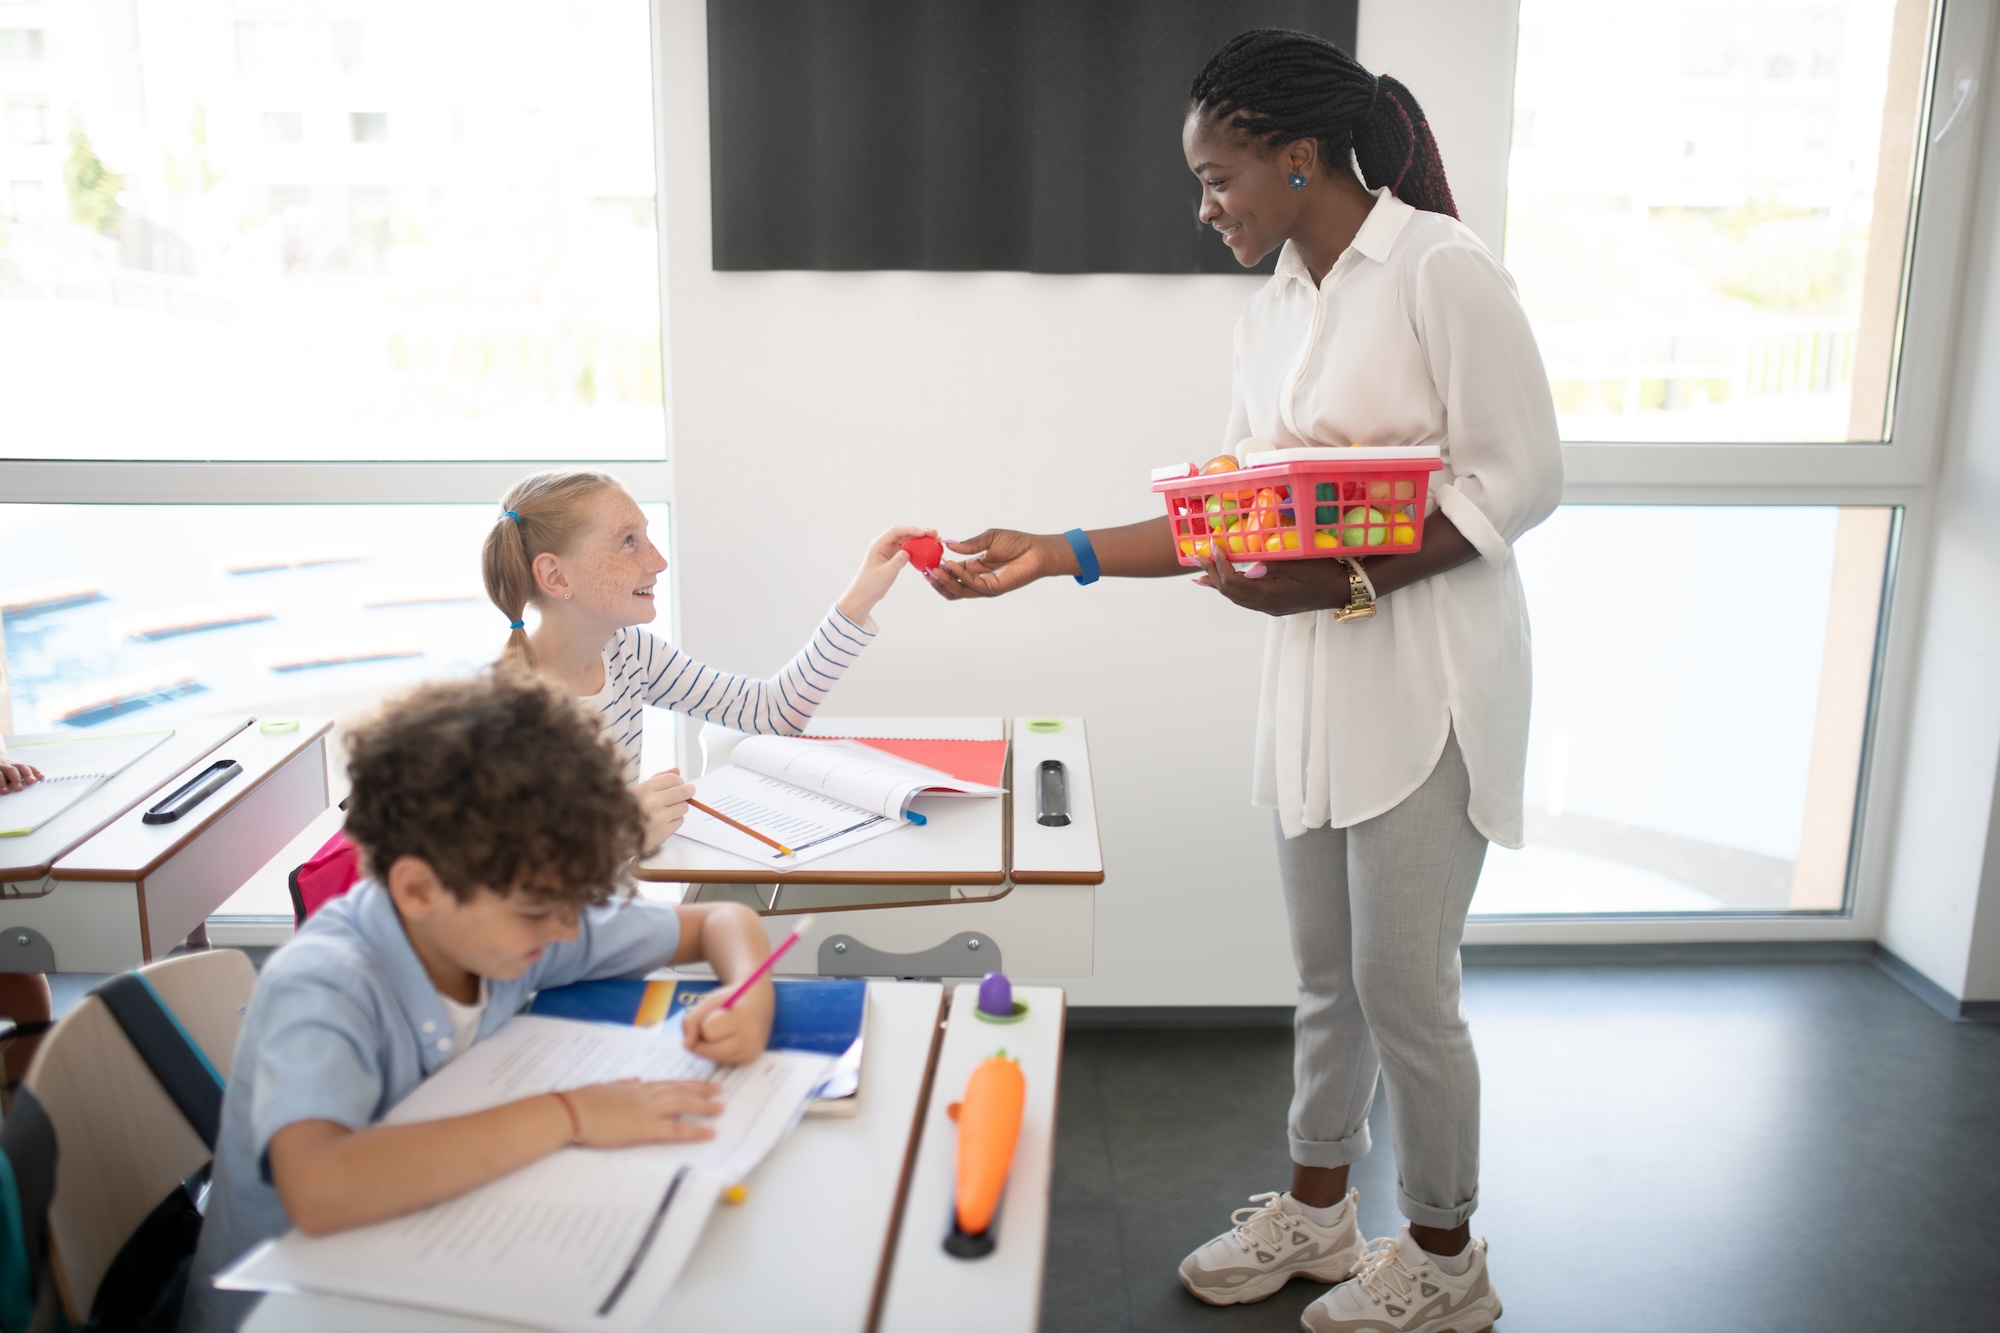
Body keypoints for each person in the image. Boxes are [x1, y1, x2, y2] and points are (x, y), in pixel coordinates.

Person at [927, 29, 1561, 1333]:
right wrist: (1059, 553)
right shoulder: (1273, 310)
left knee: (1408, 994)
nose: (1205, 205)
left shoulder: (1440, 269)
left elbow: (1521, 480)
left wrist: (1351, 584)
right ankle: (1322, 1217)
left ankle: (1446, 1257)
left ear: (1298, 156)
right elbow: (1234, 518)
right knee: (1328, 983)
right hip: (1318, 682)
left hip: (1429, 678)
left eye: (1218, 177)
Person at [183, 672, 778, 1332]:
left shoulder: (504, 923)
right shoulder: (324, 981)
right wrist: (571, 1113)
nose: (563, 931)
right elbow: (320, 1187)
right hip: (289, 1310)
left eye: (573, 904)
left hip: (431, 1260)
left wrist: (745, 993)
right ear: (417, 889)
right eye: (538, 911)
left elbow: (719, 921)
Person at [481, 469, 928, 851]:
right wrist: (618, 834)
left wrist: (861, 595)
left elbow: (772, 713)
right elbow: (505, 879)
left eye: (647, 536)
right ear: (555, 575)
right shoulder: (503, 714)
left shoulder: (629, 653)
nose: (658, 561)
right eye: (628, 542)